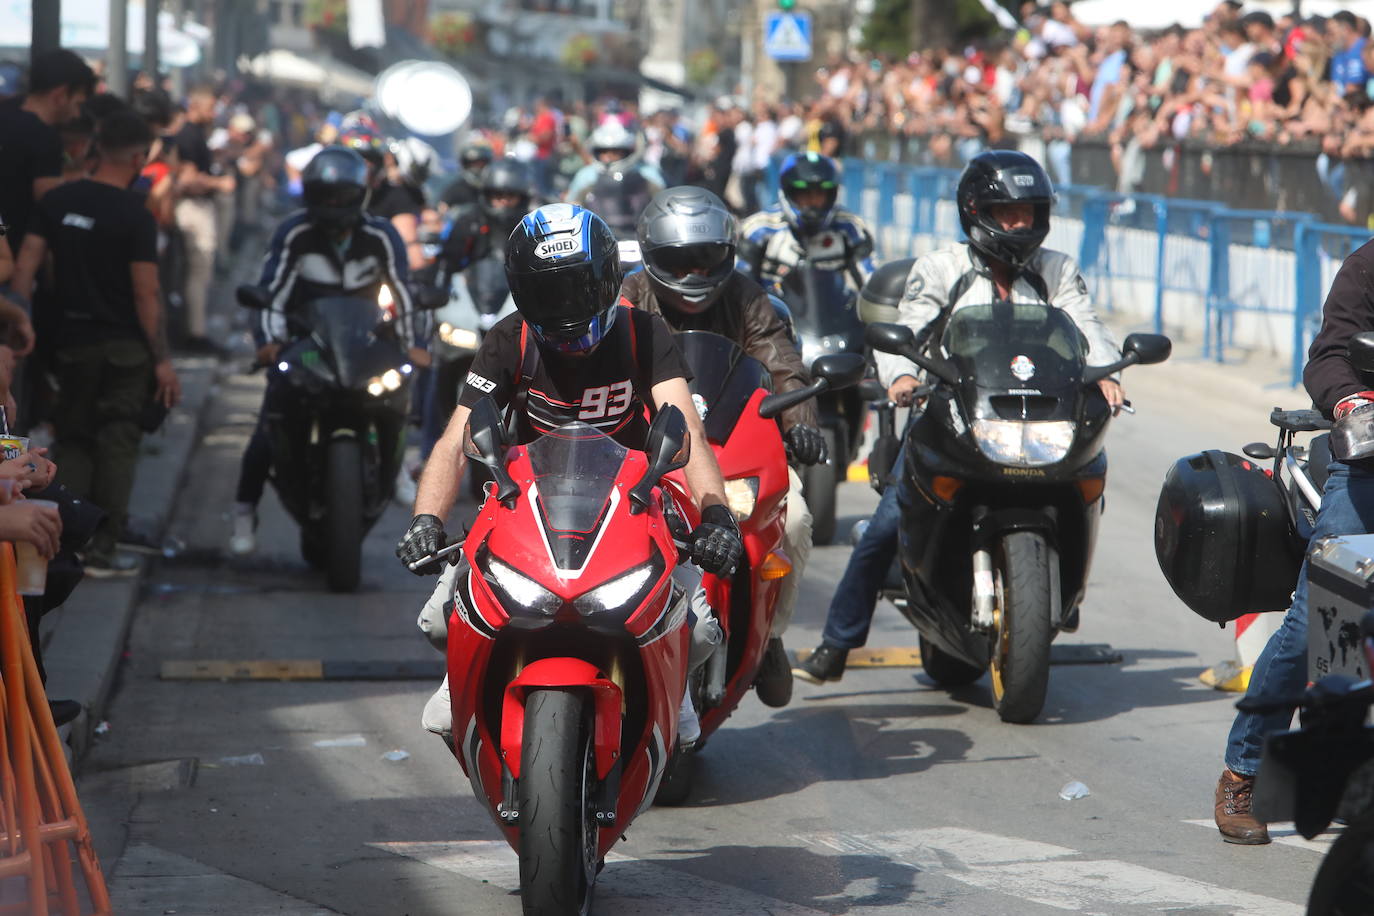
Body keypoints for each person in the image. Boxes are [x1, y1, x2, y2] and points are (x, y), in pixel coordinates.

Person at [395, 203, 743, 744]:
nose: (564, 308)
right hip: (522, 502)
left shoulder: (644, 332)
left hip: (632, 499)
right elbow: (453, 442)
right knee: (438, 619)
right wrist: (425, 520)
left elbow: (689, 431)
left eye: (577, 290)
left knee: (698, 630)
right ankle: (458, 680)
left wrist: (717, 515)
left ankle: (670, 693)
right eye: (547, 293)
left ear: (607, 280)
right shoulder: (509, 338)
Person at [794, 150, 1123, 685]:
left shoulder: (1057, 269)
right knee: (883, 528)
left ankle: (1056, 591)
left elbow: (1085, 324)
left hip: (1035, 416)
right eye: (1007, 212)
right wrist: (900, 376)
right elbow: (909, 324)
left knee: (1085, 481)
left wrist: (1108, 372)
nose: (1021, 225)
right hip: (952, 414)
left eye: (1030, 213)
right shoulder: (941, 267)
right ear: (976, 211)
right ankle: (836, 643)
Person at [622, 186, 826, 707]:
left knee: (797, 519)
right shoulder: (628, 296)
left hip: (735, 445)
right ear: (651, 256)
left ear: (727, 254)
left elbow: (782, 363)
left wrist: (802, 422)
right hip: (646, 450)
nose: (693, 273)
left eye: (706, 257)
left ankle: (772, 634)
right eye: (678, 260)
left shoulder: (750, 299)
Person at [1214, 231, 1374, 846]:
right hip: (1367, 463)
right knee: (1320, 624)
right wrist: (1354, 402)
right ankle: (1244, 772)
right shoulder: (1368, 266)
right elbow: (1331, 353)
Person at [229, 146, 430, 555]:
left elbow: (404, 294)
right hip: (306, 345)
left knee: (397, 399)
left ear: (360, 194)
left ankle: (397, 475)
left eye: (342, 196)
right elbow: (272, 293)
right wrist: (269, 343)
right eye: (326, 195)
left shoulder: (382, 235)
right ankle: (244, 510)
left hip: (368, 344)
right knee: (271, 419)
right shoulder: (294, 233)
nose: (334, 205)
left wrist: (416, 346)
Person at [7, 110, 182, 575]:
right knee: (118, 439)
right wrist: (162, 361)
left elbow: (25, 266)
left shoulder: (58, 202)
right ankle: (105, 548)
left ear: (94, 147)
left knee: (74, 437)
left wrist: (17, 328)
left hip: (70, 342)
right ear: (141, 157)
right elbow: (146, 292)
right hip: (124, 345)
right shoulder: (135, 214)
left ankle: (68, 541)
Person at [418, 158, 536, 459]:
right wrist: (435, 288)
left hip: (516, 309)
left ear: (521, 198)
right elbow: (446, 263)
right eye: (497, 195)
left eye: (509, 196)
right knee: (437, 371)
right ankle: (428, 451)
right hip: (470, 314)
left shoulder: (534, 226)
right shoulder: (467, 221)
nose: (502, 202)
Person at [0, 48, 95, 261]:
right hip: (15, 253)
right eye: (78, 103)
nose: (76, 114)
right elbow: (50, 203)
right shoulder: (44, 137)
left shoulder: (6, 113)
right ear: (60, 95)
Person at [738, 152, 876, 295]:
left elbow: (871, 281)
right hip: (774, 314)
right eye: (804, 194)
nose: (813, 202)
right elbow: (740, 287)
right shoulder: (759, 229)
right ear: (788, 193)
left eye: (820, 194)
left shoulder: (850, 228)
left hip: (831, 314)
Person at [173, 86, 235, 352]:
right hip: (193, 209)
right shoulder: (188, 135)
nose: (214, 113)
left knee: (200, 272)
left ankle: (195, 328)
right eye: (210, 107)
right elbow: (187, 179)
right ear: (195, 106)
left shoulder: (196, 134)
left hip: (198, 207)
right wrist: (218, 183)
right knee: (198, 271)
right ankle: (194, 333)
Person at [438, 141, 494, 213]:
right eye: (473, 165)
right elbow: (442, 209)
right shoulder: (456, 189)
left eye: (480, 165)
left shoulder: (492, 188)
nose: (477, 170)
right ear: (465, 165)